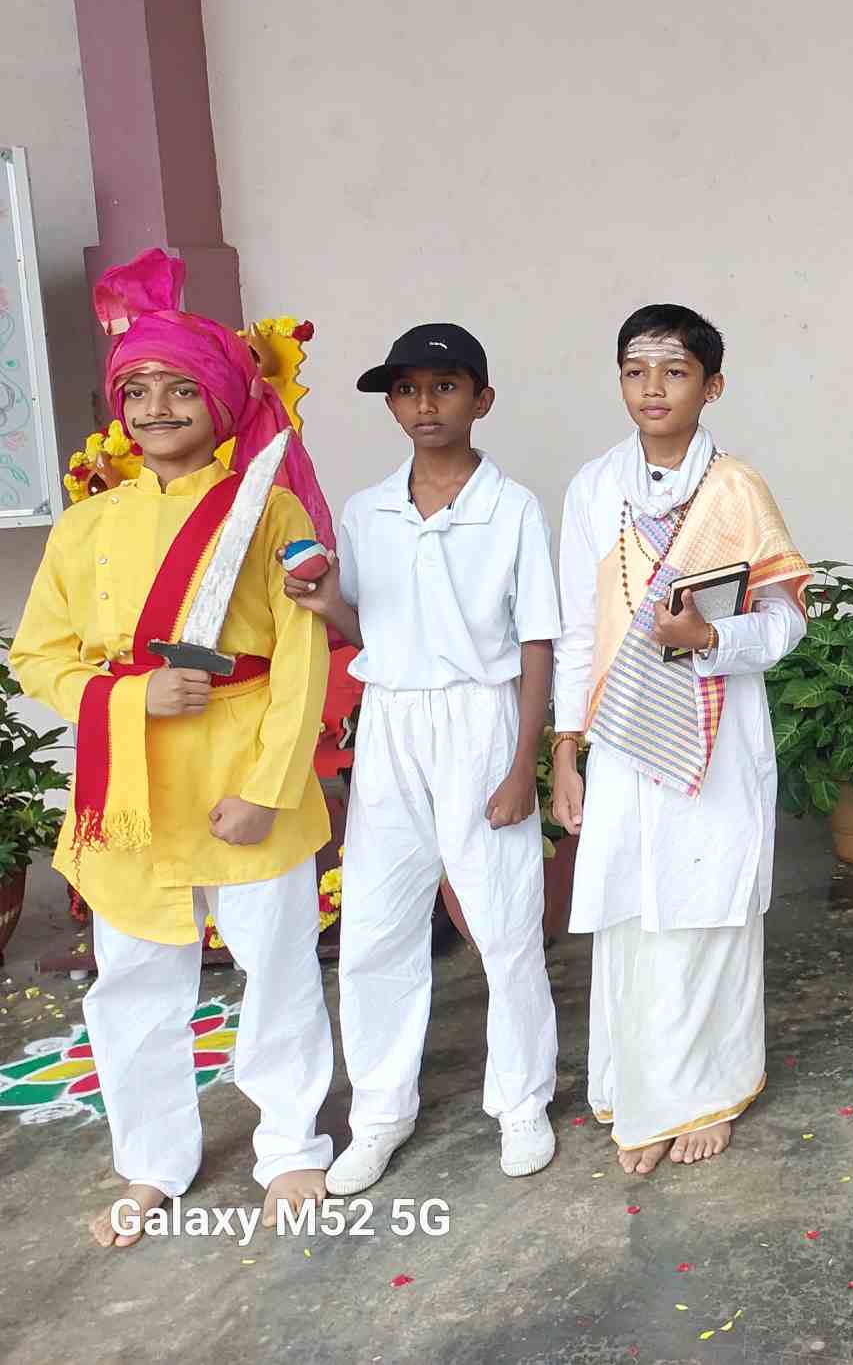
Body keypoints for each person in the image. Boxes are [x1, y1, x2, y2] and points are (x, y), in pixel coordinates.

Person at [13, 249, 337, 1245]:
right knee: (135, 986)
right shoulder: (85, 527)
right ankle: (151, 1164)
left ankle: (290, 1145)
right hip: (127, 794)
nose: (156, 407)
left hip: (239, 778)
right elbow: (39, 656)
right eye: (138, 389)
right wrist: (129, 694)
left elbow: (301, 657)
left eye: (181, 387)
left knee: (276, 970)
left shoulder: (267, 509)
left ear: (222, 401)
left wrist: (270, 787)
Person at [284, 323, 561, 1192]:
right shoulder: (367, 511)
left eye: (443, 387)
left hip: (481, 721)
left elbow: (538, 640)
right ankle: (379, 1114)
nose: (423, 405)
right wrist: (327, 604)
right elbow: (367, 630)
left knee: (505, 922)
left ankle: (521, 1100)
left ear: (482, 399)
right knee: (375, 925)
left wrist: (522, 764)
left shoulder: (512, 508)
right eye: (406, 390)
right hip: (392, 724)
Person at [550, 305, 809, 1174]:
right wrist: (566, 751)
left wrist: (709, 640)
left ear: (713, 385)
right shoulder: (595, 489)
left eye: (674, 371)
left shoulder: (736, 490)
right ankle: (642, 1088)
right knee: (634, 908)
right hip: (625, 734)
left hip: (719, 729)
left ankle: (706, 1091)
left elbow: (786, 621)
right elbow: (578, 629)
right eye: (635, 371)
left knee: (708, 905)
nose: (652, 388)